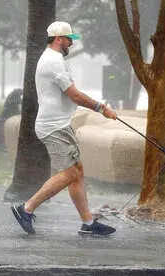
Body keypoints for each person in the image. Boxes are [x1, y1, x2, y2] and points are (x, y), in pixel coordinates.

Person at [11, 21, 118, 236]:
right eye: (70, 39)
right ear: (59, 39)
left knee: (77, 173)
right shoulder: (53, 62)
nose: (72, 43)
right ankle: (26, 208)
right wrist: (102, 108)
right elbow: (74, 95)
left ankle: (88, 224)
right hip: (54, 127)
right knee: (69, 173)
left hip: (60, 124)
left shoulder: (54, 59)